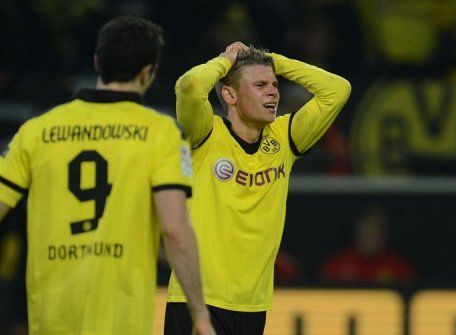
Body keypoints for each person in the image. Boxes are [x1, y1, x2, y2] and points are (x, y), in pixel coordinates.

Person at [0, 16, 214, 335]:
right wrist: (200, 314)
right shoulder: (161, 133)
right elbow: (174, 229)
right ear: (148, 72)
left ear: (97, 62)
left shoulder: (37, 130)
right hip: (122, 320)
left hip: (50, 317)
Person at [164, 42, 351, 334]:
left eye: (274, 84)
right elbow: (189, 85)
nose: (273, 91)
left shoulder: (285, 137)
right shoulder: (204, 132)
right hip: (197, 300)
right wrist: (226, 60)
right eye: (260, 84)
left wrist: (273, 61)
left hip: (253, 304)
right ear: (230, 94)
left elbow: (337, 90)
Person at [319, 206, 415, 285]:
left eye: (377, 229)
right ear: (357, 231)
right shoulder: (336, 266)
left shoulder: (399, 269)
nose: (371, 233)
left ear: (385, 234)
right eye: (367, 229)